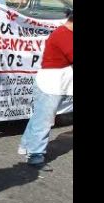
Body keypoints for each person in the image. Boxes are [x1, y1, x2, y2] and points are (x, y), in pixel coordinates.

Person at [18, 10, 73, 169]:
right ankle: (35, 154)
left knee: (39, 117)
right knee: (45, 120)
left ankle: (26, 146)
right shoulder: (63, 34)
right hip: (51, 83)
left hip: (54, 82)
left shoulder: (66, 33)